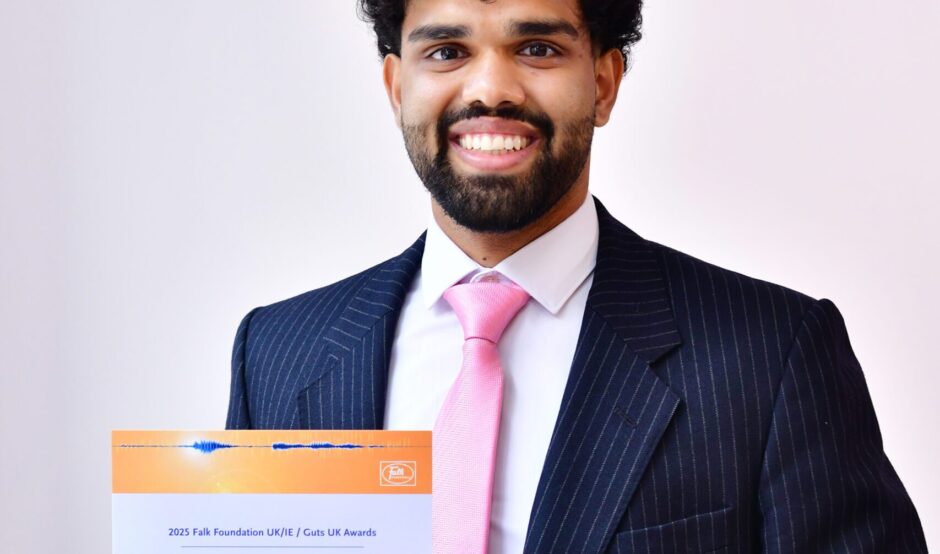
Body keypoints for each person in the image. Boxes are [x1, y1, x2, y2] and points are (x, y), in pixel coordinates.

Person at [226, 0, 927, 552]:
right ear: (395, 85)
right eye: (446, 51)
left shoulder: (770, 355)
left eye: (537, 48)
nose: (491, 89)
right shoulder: (276, 354)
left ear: (603, 83)